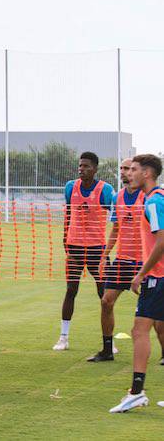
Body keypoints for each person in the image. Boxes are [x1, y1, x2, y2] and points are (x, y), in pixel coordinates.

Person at [110, 154, 164, 412]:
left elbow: (162, 241)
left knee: (139, 330)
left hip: (158, 277)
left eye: (133, 169)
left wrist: (142, 273)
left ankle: (136, 391)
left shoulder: (153, 201)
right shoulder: (158, 198)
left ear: (147, 173)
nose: (128, 173)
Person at [54, 151, 115, 351]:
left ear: (95, 168)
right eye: (80, 166)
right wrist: (66, 241)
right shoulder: (71, 187)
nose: (82, 169)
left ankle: (109, 341)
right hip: (75, 247)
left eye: (86, 166)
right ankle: (63, 337)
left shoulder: (105, 190)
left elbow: (116, 216)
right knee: (71, 290)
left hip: (97, 249)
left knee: (103, 294)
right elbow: (68, 214)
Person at [90, 159, 143, 361]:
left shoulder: (148, 197)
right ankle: (107, 349)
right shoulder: (118, 197)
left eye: (128, 168)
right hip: (122, 260)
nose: (124, 172)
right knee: (106, 301)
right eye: (122, 168)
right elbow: (116, 229)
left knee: (152, 310)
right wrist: (104, 256)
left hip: (143, 261)